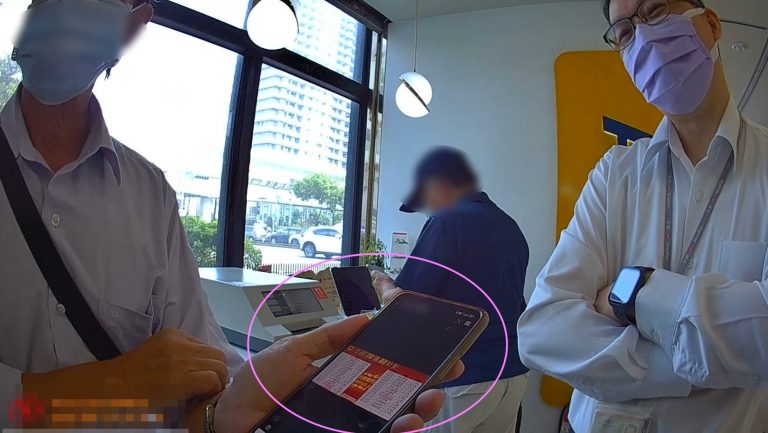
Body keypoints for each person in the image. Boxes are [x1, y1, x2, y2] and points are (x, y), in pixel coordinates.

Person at [0, 1, 459, 432]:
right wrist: (105, 388)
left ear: (133, 24)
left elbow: (196, 395)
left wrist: (234, 410)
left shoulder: (149, 194)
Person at [517, 0, 768, 432]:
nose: (644, 38)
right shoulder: (615, 172)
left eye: (654, 11)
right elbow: (543, 330)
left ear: (711, 24)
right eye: (625, 32)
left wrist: (632, 298)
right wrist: (691, 367)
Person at [374, 146, 530, 433]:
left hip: (462, 377)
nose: (428, 211)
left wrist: (382, 283)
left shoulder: (447, 221)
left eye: (426, 201)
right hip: (511, 374)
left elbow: (404, 304)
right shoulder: (511, 227)